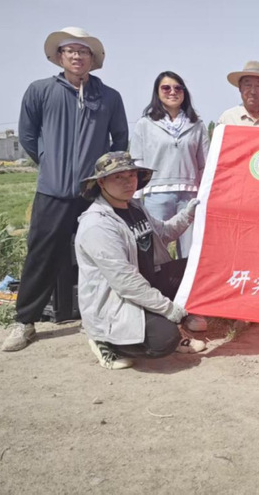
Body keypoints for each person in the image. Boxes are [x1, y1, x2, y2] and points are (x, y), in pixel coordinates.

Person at [3, 27, 128, 352]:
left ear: (92, 58)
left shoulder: (109, 97)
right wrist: (48, 162)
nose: (76, 56)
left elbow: (120, 138)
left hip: (92, 192)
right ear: (60, 57)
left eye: (83, 51)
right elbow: (27, 134)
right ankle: (25, 321)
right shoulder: (40, 91)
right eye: (70, 50)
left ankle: (103, 316)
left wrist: (104, 174)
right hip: (52, 191)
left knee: (103, 253)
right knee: (41, 254)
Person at [75, 151, 205, 370]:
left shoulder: (135, 207)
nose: (128, 182)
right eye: (118, 177)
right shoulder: (98, 225)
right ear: (101, 182)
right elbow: (125, 282)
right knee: (164, 339)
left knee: (195, 268)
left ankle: (165, 318)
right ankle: (103, 340)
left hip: (146, 283)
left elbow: (164, 232)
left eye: (132, 175)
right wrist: (168, 309)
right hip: (116, 300)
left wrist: (188, 214)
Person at [130, 71, 209, 259]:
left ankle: (186, 279)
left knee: (190, 251)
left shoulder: (197, 125)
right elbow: (137, 161)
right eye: (166, 88)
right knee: (155, 249)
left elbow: (204, 164)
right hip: (156, 193)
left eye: (177, 88)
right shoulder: (145, 124)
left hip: (190, 195)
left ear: (184, 92)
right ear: (157, 92)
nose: (172, 92)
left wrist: (206, 193)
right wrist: (134, 198)